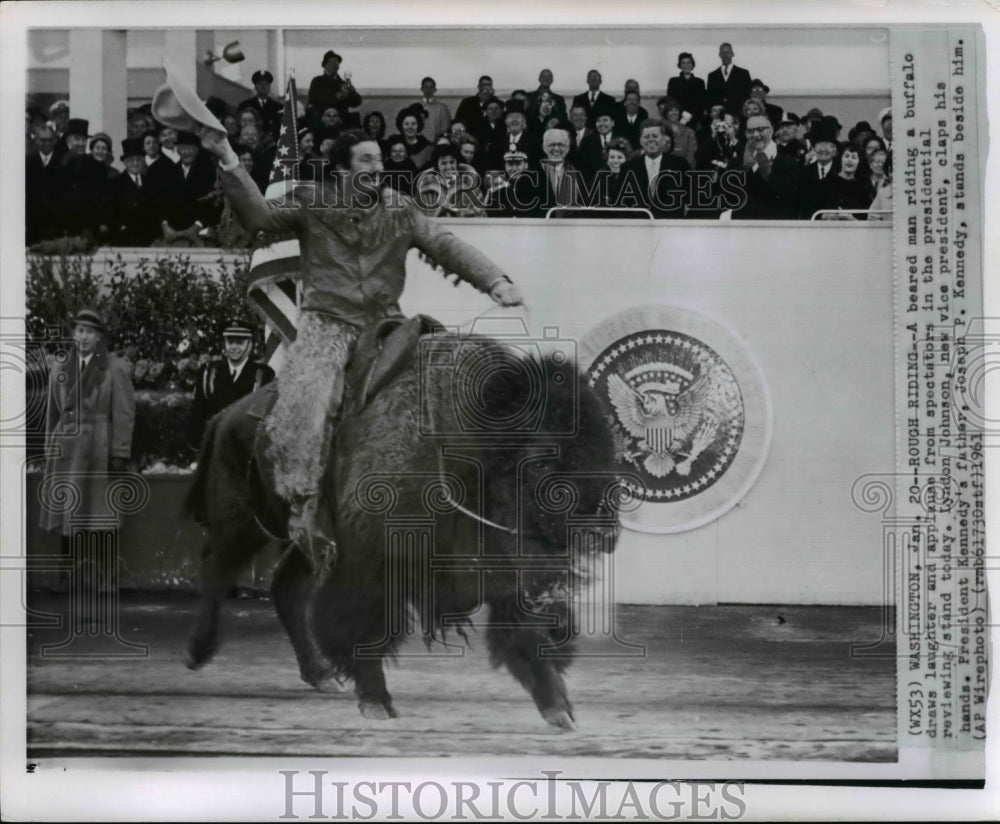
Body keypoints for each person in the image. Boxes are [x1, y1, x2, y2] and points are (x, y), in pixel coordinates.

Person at [201, 126, 523, 553]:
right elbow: (258, 216)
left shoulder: (402, 210)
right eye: (366, 161)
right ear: (341, 169)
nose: (377, 168)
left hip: (388, 328)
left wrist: (495, 281)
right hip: (325, 328)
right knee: (310, 407)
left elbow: (445, 245)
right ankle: (304, 515)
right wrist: (227, 155)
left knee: (447, 384)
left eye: (379, 160)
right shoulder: (310, 202)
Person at [40, 308, 136, 586]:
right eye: (79, 331)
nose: (83, 337)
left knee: (100, 515)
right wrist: (50, 446)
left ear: (99, 337)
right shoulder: (60, 365)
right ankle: (69, 576)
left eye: (89, 332)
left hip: (98, 448)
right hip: (67, 447)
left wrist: (120, 452)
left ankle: (105, 578)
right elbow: (52, 412)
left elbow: (124, 413)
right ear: (73, 334)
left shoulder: (114, 367)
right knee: (68, 512)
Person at [185, 321, 275, 450]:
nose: (233, 346)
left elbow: (265, 419)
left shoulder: (263, 375)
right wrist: (198, 448)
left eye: (240, 342)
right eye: (230, 341)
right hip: (214, 449)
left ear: (250, 345)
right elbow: (198, 413)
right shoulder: (208, 372)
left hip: (247, 452)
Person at [732, 114, 801, 220]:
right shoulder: (738, 160)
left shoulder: (789, 161)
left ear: (771, 130)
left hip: (776, 226)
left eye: (760, 129)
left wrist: (767, 173)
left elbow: (791, 197)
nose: (755, 135)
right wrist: (745, 169)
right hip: (745, 226)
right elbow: (731, 195)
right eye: (750, 131)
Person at [622, 118, 690, 218]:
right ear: (641, 141)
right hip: (638, 226)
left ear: (663, 139)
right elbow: (623, 202)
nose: (651, 139)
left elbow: (690, 197)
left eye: (655, 136)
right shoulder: (628, 168)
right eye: (646, 136)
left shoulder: (679, 164)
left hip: (670, 226)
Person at [307, 50, 362, 128]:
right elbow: (314, 98)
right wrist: (335, 96)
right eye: (332, 62)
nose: (335, 64)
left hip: (341, 124)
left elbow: (356, 102)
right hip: (321, 125)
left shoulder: (343, 83)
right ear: (325, 65)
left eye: (337, 62)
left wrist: (352, 92)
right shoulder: (317, 81)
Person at [706, 42, 753, 116]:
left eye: (728, 52)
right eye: (723, 53)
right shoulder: (712, 76)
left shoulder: (743, 73)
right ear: (719, 55)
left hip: (738, 115)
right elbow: (709, 99)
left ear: (732, 54)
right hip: (719, 118)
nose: (725, 55)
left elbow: (748, 96)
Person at [238, 69, 283, 141]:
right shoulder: (245, 105)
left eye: (266, 84)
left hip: (272, 144)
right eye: (260, 83)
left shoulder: (279, 107)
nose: (263, 86)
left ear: (269, 87)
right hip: (250, 141)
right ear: (255, 86)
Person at [666, 52, 706, 126]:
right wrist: (682, 113)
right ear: (680, 65)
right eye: (683, 63)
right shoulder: (673, 81)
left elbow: (701, 102)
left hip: (695, 119)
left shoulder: (700, 82)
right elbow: (670, 101)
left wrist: (691, 115)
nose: (686, 65)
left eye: (689, 63)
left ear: (692, 64)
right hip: (677, 118)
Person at [415, 77, 452, 142]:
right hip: (418, 144)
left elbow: (445, 127)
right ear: (421, 89)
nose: (428, 90)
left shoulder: (442, 107)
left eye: (431, 87)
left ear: (435, 90)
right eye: (426, 87)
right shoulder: (415, 107)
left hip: (436, 144)